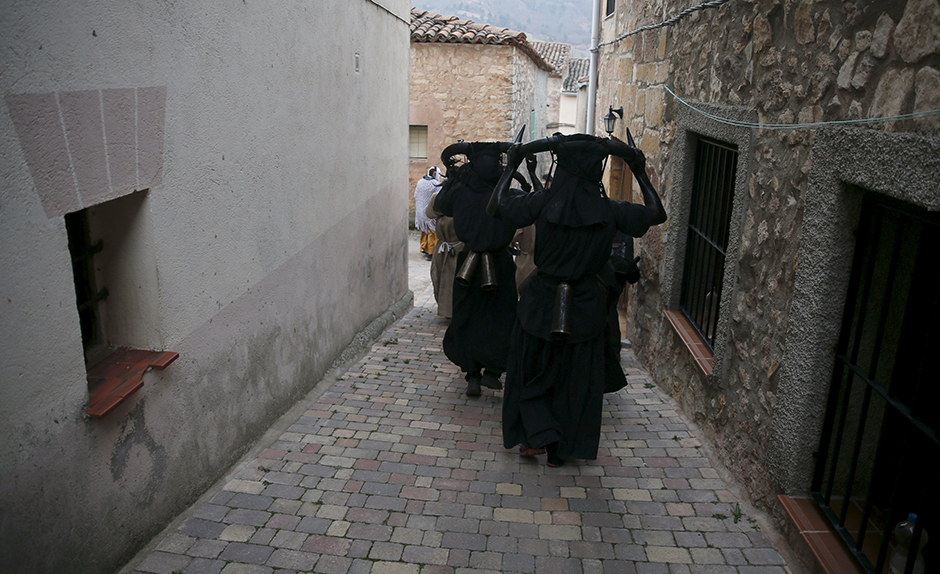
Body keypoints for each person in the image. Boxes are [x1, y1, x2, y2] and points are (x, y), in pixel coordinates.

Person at [488, 133, 667, 467]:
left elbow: (496, 206)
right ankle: (559, 446)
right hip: (586, 305)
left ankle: (534, 435)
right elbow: (656, 213)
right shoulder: (610, 209)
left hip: (541, 302)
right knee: (574, 377)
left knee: (532, 366)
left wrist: (510, 166)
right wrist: (639, 169)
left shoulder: (541, 203)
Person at [433, 141, 523, 397]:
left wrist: (454, 178)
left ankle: (473, 374)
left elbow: (442, 203)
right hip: (499, 261)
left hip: (470, 263)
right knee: (501, 317)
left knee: (468, 317)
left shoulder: (461, 191)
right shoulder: (505, 191)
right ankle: (491, 372)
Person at [425, 189, 462, 319]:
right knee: (439, 278)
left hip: (460, 247)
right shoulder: (439, 196)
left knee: (454, 280)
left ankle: (453, 311)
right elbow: (429, 213)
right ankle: (446, 309)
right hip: (443, 246)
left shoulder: (465, 197)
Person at [414, 167, 442, 260]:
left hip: (420, 211)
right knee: (432, 232)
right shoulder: (436, 184)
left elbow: (415, 195)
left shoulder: (420, 182)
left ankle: (424, 248)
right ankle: (431, 252)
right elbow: (438, 198)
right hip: (429, 212)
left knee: (425, 230)